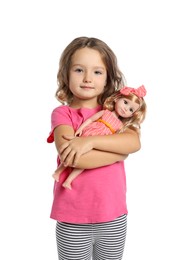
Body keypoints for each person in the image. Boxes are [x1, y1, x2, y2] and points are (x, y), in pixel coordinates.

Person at [47, 36, 143, 260]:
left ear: (108, 77)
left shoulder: (119, 113)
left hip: (113, 216)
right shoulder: (63, 114)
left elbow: (133, 143)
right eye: (79, 70)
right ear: (65, 74)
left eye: (97, 72)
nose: (88, 78)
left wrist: (89, 141)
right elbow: (73, 158)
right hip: (72, 219)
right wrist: (119, 152)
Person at [52, 85, 147, 190]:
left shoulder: (121, 126)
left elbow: (133, 143)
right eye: (125, 102)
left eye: (130, 110)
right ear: (117, 99)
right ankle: (58, 171)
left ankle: (69, 180)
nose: (125, 109)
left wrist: (95, 143)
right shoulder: (105, 113)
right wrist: (80, 129)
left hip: (101, 143)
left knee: (83, 163)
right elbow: (91, 120)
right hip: (91, 132)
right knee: (73, 151)